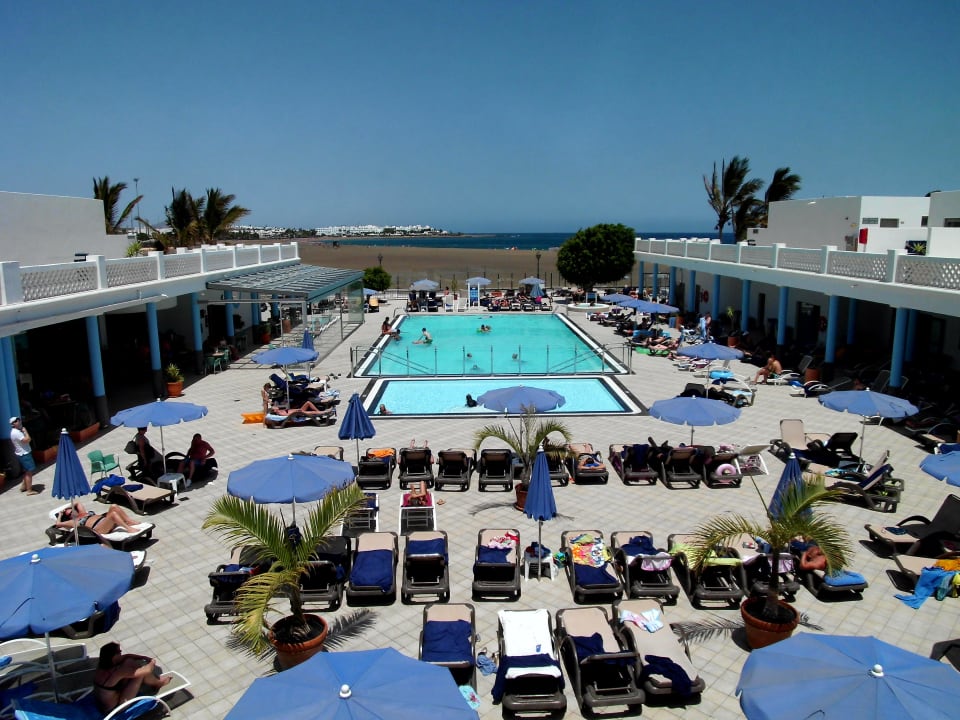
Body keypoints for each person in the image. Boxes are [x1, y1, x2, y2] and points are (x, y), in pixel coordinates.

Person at [94, 642, 171, 713]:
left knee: (129, 661)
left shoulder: (103, 665)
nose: (121, 653)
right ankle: (159, 683)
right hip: (117, 707)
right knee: (141, 672)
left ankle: (150, 681)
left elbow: (126, 656)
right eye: (119, 652)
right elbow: (147, 670)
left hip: (103, 702)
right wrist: (152, 661)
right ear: (114, 657)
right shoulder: (116, 672)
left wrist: (143, 657)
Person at [55, 501, 142, 535]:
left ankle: (130, 521)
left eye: (72, 510)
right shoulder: (74, 521)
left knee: (114, 505)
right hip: (99, 529)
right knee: (113, 514)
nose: (72, 512)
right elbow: (58, 524)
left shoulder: (83, 513)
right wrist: (60, 514)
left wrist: (64, 509)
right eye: (70, 513)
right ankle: (129, 529)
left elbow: (77, 502)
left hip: (105, 521)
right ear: (69, 517)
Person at [8, 416, 38, 495]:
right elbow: (27, 440)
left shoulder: (16, 431)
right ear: (13, 424)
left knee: (26, 471)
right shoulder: (16, 432)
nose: (19, 421)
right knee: (29, 472)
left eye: (19, 420)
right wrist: (25, 431)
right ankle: (29, 490)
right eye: (16, 421)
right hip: (24, 454)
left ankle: (24, 486)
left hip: (22, 453)